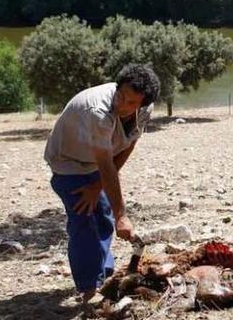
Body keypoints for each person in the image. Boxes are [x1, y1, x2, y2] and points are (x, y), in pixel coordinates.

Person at [44, 64, 160, 303]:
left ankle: (104, 276)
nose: (122, 105)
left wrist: (98, 189)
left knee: (103, 219)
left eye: (131, 103)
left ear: (143, 104)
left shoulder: (146, 109)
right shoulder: (98, 111)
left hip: (94, 162)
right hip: (69, 163)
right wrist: (123, 216)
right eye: (121, 96)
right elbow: (106, 166)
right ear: (117, 87)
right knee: (84, 221)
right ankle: (89, 290)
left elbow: (129, 144)